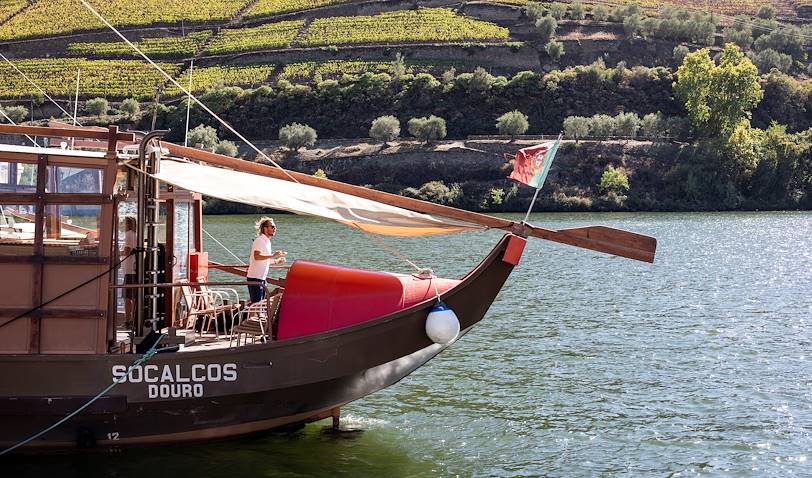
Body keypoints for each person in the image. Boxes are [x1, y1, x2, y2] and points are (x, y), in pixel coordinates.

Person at [246, 217, 286, 303]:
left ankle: (257, 316)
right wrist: (273, 255)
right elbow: (257, 256)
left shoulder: (267, 241)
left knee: (260, 304)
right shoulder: (260, 240)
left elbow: (264, 259)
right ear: (265, 228)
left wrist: (277, 261)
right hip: (255, 278)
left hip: (262, 278)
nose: (274, 229)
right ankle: (254, 316)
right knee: (257, 304)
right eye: (272, 226)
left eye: (274, 227)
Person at [121, 216, 137, 326]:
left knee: (127, 297)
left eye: (124, 223)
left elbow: (127, 251)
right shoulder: (135, 235)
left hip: (129, 270)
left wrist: (114, 253)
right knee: (133, 296)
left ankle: (127, 321)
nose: (123, 226)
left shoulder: (128, 235)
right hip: (133, 269)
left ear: (128, 225)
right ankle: (134, 319)